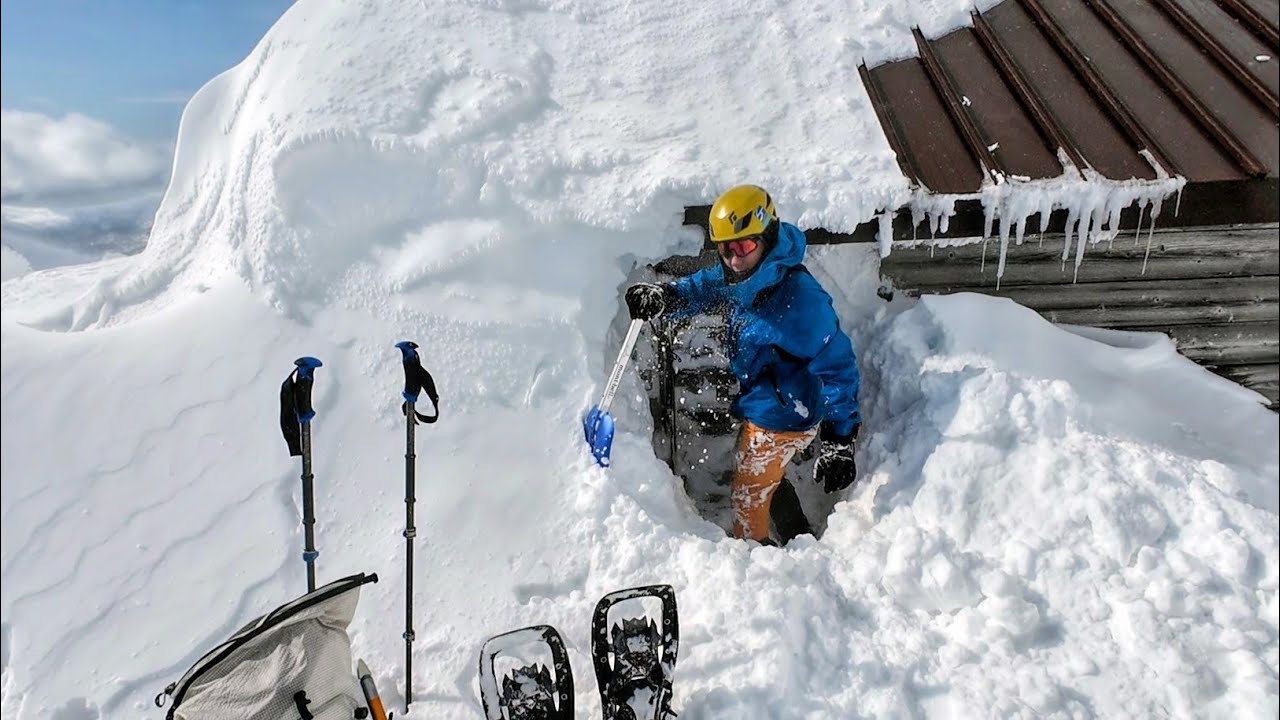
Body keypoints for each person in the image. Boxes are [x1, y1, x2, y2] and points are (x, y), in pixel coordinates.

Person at [625, 184, 861, 544]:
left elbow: (839, 369)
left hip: (785, 416)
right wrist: (665, 298)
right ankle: (798, 534)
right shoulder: (744, 275)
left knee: (747, 496)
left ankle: (755, 559)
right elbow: (706, 286)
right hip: (765, 399)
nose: (734, 259)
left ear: (767, 237)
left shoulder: (801, 301)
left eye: (744, 246)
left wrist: (839, 441)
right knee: (762, 478)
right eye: (726, 249)